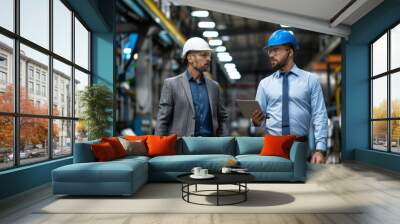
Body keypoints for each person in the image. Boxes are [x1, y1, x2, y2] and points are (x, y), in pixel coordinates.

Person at [252, 29, 328, 164]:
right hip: (273, 145)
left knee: (302, 183)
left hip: (300, 146)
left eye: (276, 50)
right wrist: (256, 122)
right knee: (271, 184)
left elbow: (319, 115)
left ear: (290, 52)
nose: (271, 55)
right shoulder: (264, 84)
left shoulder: (310, 80)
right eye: (269, 51)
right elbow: (259, 120)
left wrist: (320, 149)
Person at [155, 37, 228, 137]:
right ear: (190, 58)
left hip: (210, 147)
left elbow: (222, 119)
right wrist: (159, 147)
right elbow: (163, 120)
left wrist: (223, 144)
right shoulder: (172, 85)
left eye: (209, 56)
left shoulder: (214, 87)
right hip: (181, 147)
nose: (209, 59)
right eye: (204, 55)